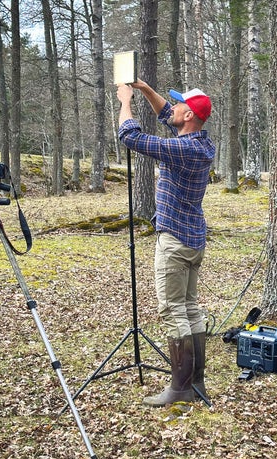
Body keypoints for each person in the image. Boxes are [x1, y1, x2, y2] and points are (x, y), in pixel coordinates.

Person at [116, 80, 215, 407]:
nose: (171, 108)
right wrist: (144, 88)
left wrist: (126, 102)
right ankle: (196, 382)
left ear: (188, 115)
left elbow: (129, 137)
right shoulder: (198, 143)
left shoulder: (183, 149)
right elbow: (165, 115)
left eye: (178, 106)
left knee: (173, 310)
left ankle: (180, 388)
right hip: (192, 238)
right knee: (189, 309)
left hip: (174, 241)